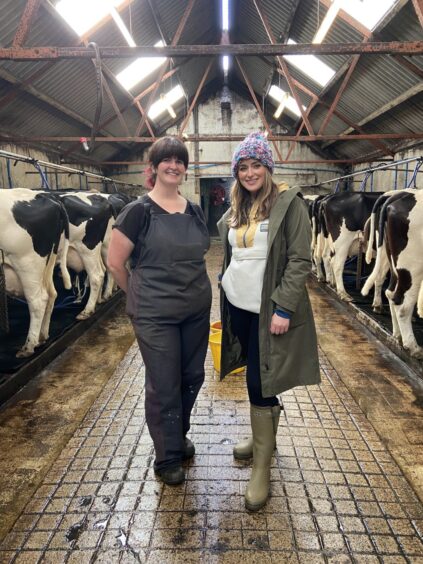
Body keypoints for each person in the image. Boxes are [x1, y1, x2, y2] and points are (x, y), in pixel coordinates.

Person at [218, 132, 320, 511]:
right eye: (242, 167)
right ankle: (265, 440)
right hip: (238, 307)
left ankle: (262, 466)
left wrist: (283, 308)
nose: (249, 172)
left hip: (268, 311)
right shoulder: (238, 208)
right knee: (258, 374)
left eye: (256, 164)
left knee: (261, 379)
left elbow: (299, 261)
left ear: (268, 167)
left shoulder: (288, 204)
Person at [107, 136, 212, 486]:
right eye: (166, 160)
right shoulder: (138, 211)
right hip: (155, 314)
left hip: (195, 309)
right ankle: (166, 456)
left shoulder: (194, 209)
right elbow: (116, 263)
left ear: (185, 168)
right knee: (164, 383)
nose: (174, 166)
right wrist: (138, 296)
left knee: (192, 376)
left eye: (179, 160)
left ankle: (177, 436)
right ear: (154, 167)